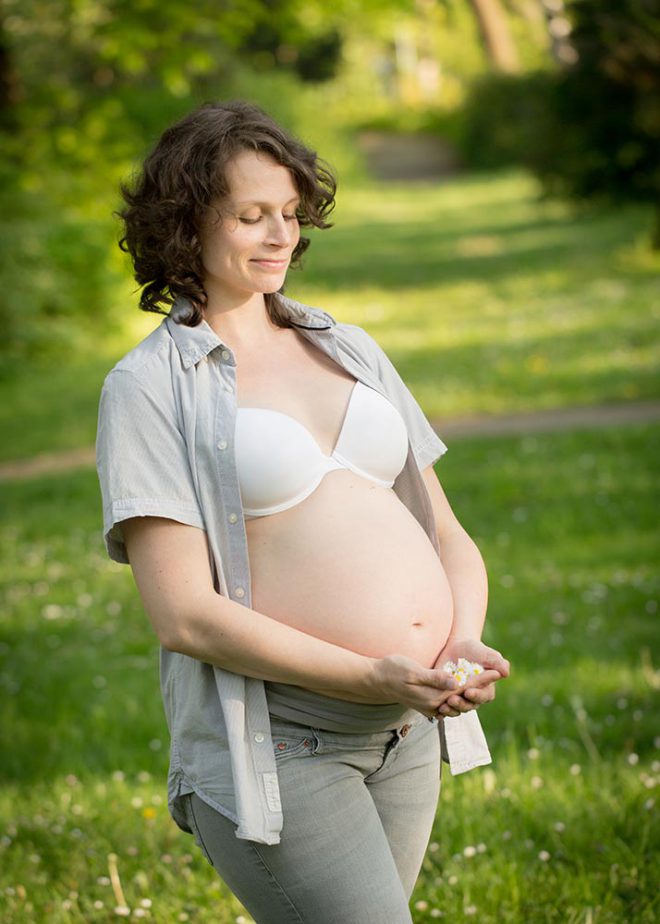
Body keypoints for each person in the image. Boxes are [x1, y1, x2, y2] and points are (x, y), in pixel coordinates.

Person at [96, 100, 510, 924]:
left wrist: (460, 638)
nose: (281, 234)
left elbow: (446, 534)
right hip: (283, 743)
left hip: (404, 731)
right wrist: (368, 673)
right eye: (251, 216)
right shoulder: (149, 388)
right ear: (185, 227)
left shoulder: (347, 346)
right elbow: (184, 615)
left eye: (288, 213)